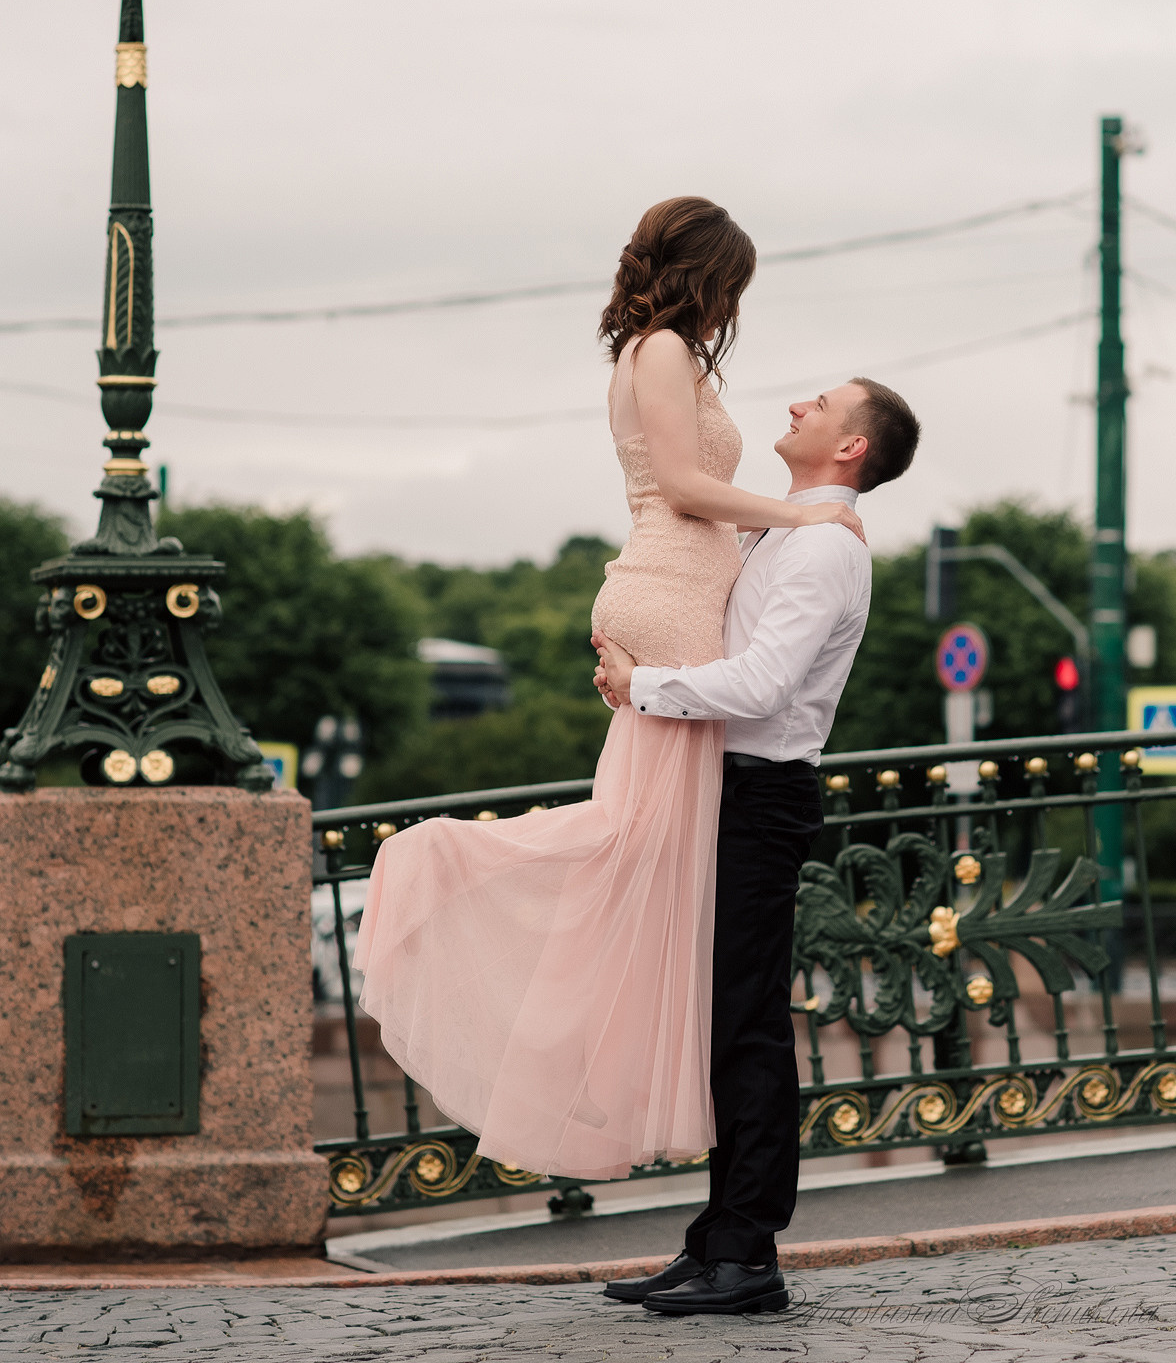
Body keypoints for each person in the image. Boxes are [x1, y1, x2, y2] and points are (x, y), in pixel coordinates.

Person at [353, 196, 862, 1186]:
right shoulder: (664, 349)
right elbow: (681, 488)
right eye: (732, 289)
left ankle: (641, 1109)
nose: (731, 311)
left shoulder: (650, 349)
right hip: (670, 591)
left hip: (668, 593)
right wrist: (806, 519)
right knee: (638, 845)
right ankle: (442, 870)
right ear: (706, 275)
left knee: (643, 848)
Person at [593, 375, 920, 1315]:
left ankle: (747, 1256)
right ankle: (716, 1243)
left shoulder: (823, 548)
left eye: (819, 405)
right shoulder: (780, 528)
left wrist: (644, 682)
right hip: (719, 785)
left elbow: (766, 684)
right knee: (722, 1021)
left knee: (745, 1023)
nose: (794, 409)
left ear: (851, 448)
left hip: (760, 791)